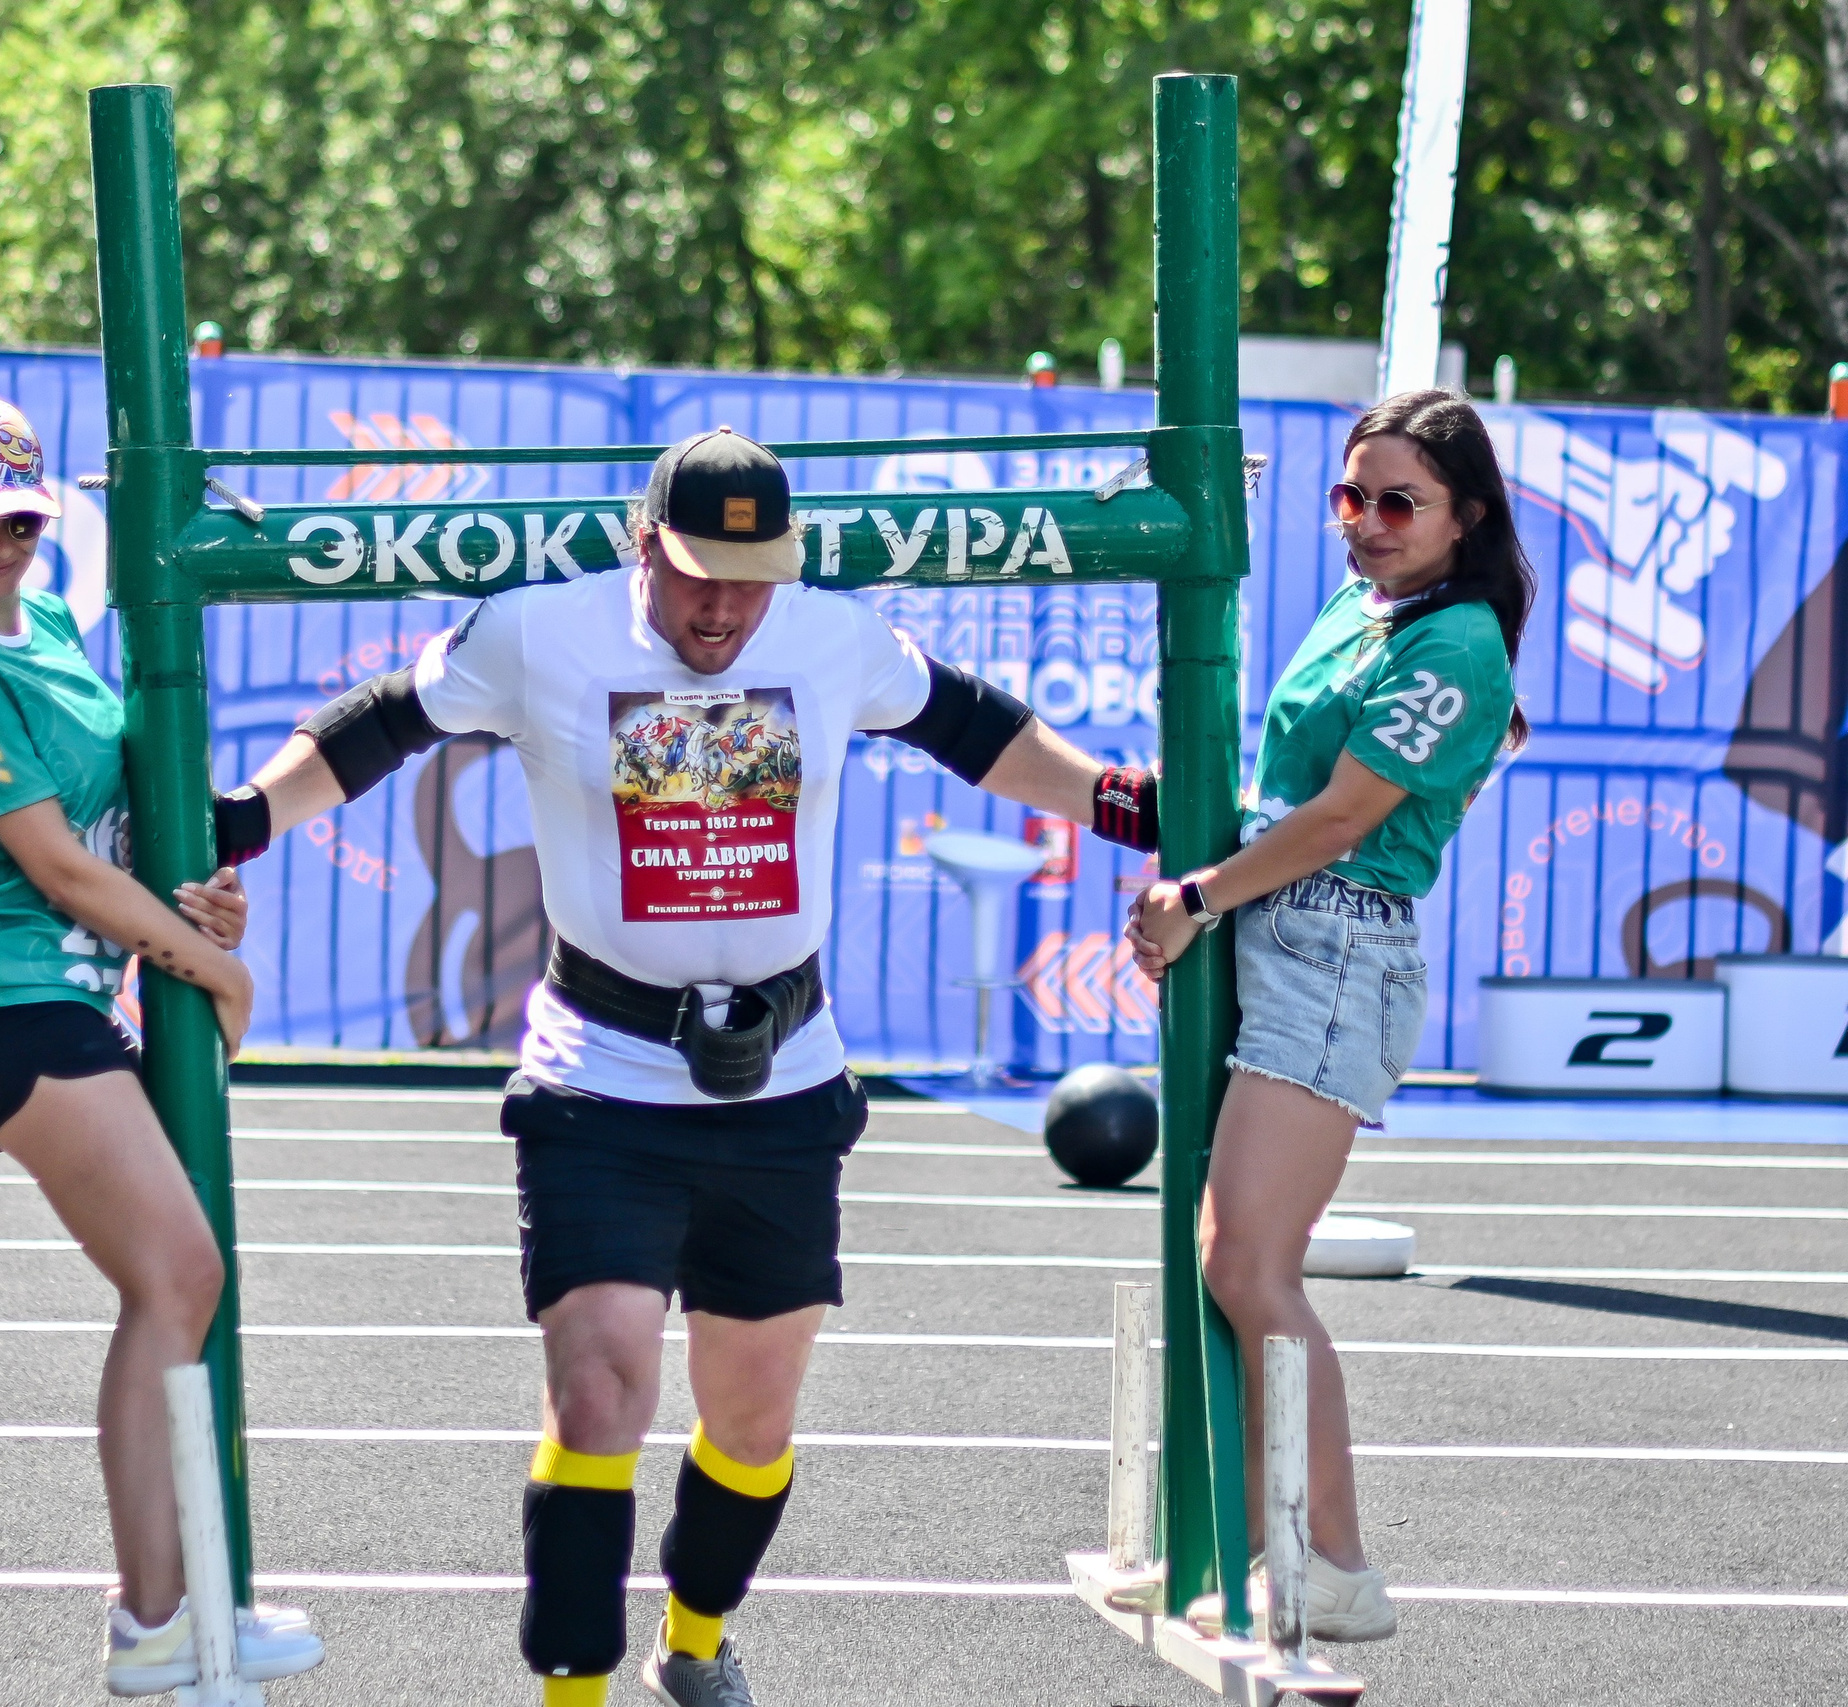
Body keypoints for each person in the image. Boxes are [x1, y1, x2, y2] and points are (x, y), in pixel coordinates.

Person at [213, 427, 1160, 1707]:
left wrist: (1112, 800)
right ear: (637, 540)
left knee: (751, 1426)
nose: (722, 607)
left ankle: (697, 1637)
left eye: (750, 576)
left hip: (780, 1086)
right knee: (600, 1387)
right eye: (697, 571)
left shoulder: (833, 639)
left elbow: (975, 731)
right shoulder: (538, 633)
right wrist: (247, 819)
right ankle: (573, 1691)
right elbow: (382, 723)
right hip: (597, 1078)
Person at [0, 392, 321, 1697]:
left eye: (19, 516)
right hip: (3, 997)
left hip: (79, 992)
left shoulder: (58, 616)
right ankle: (156, 1618)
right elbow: (60, 869)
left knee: (178, 1277)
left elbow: (118, 835)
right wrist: (213, 964)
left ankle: (177, 1605)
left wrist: (197, 896)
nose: (2, 542)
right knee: (180, 1270)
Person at [1123, 389, 1533, 1642]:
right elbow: (1287, 789)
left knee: (1248, 1265)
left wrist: (1195, 894)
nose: (1365, 522)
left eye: (1398, 502)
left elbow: (1348, 816)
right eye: (1349, 497)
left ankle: (1334, 1566)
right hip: (1284, 926)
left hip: (1339, 945)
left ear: (1464, 518)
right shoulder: (1369, 607)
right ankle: (1236, 1547)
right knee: (1223, 1263)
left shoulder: (1458, 646)